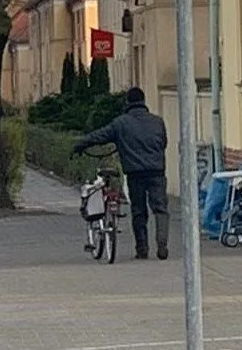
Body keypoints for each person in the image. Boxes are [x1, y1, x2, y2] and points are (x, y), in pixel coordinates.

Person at [72, 87, 169, 260]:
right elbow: (163, 143)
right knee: (160, 209)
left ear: (128, 103)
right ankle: (162, 244)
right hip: (157, 172)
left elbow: (99, 136)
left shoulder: (121, 123)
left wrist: (80, 145)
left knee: (139, 211)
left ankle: (142, 249)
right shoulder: (157, 122)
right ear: (143, 101)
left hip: (135, 173)